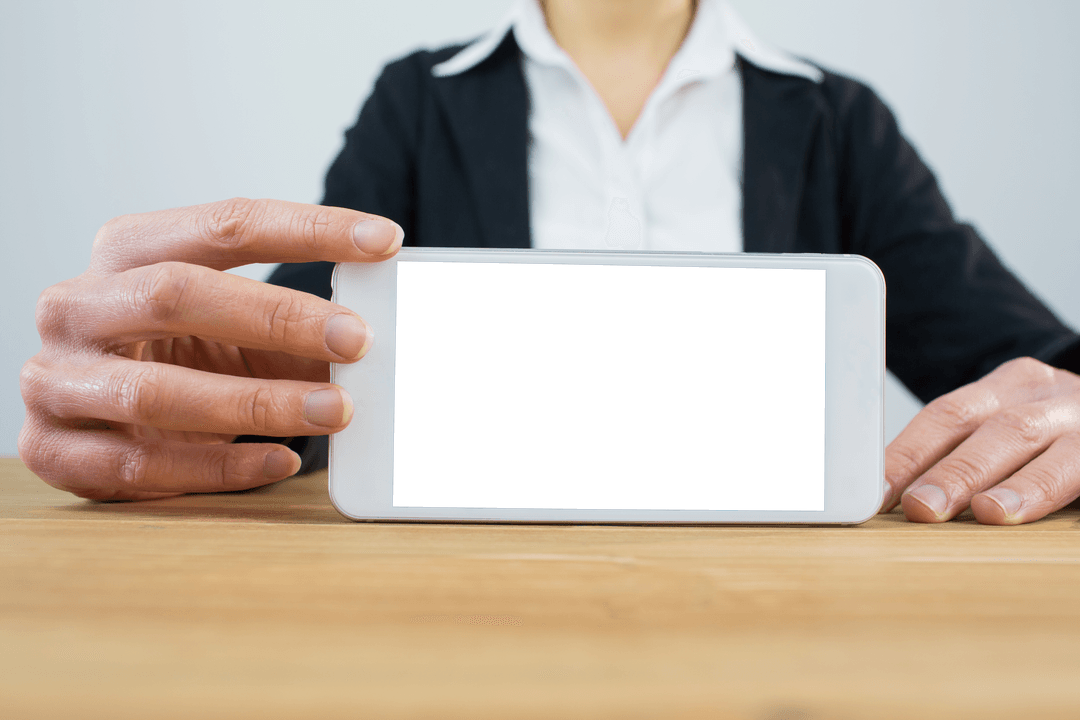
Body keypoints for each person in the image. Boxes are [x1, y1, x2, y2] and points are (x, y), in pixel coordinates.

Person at [18, 0, 1080, 524]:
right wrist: (160, 386)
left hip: (778, 616)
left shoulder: (835, 121)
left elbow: (1037, 368)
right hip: (457, 623)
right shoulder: (419, 102)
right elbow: (285, 377)